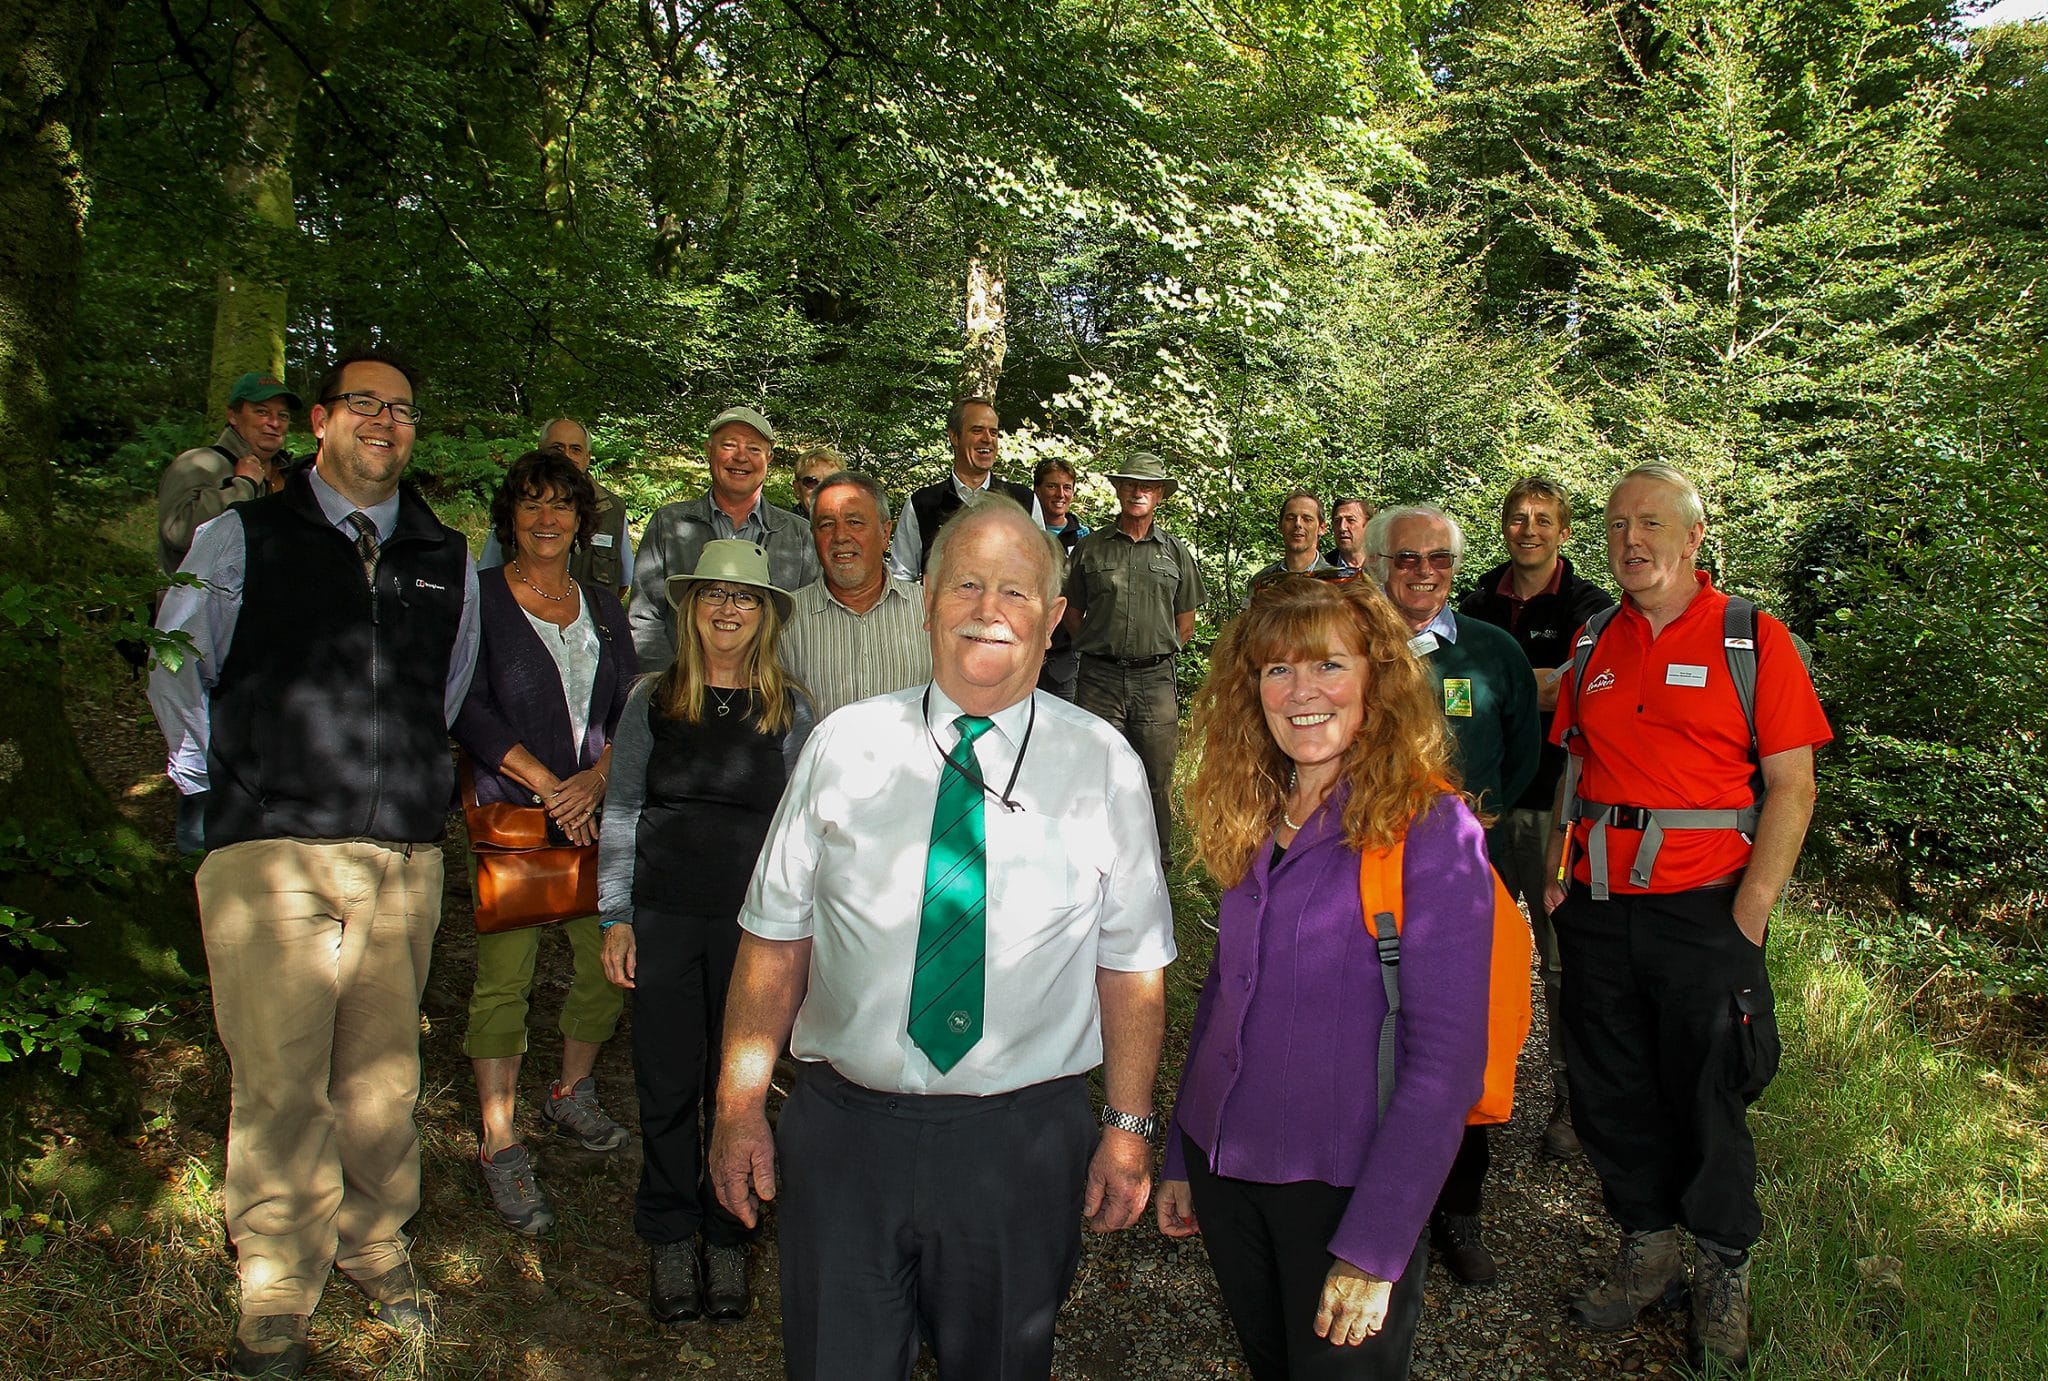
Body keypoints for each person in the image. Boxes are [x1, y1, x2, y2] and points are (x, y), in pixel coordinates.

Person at [709, 497, 1176, 1381]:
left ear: (1054, 619)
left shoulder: (1104, 762)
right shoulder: (844, 745)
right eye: (967, 582)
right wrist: (738, 1107)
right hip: (846, 1135)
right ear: (926, 600)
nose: (988, 608)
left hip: (1019, 1143)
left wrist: (1125, 1123)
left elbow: (1132, 962)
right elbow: (774, 940)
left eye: (1016, 589)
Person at [147, 347, 479, 1379]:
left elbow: (450, 690)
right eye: (365, 404)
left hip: (398, 855)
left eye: (404, 409)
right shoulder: (241, 533)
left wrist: (412, 786)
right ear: (322, 421)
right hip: (270, 847)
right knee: (282, 1070)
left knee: (382, 1076)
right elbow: (177, 661)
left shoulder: (445, 555)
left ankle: (376, 1240)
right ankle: (279, 1278)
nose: (386, 422)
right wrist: (216, 782)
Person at [1161, 573, 1495, 1381]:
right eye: (1277, 670)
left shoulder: (1430, 826)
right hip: (1227, 1172)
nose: (1301, 691)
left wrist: (1377, 1244)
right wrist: (1181, 1151)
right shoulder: (1256, 806)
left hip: (1347, 1185)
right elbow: (1223, 991)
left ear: (1376, 678)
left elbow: (1445, 1065)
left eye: (1327, 666)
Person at [1545, 464, 1829, 1372]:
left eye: (1652, 522)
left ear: (1694, 536)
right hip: (1596, 910)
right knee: (1610, 1086)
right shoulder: (1593, 641)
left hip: (1707, 912)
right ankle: (1647, 1247)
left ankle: (1721, 1276)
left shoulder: (1752, 640)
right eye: (1619, 523)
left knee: (1708, 1097)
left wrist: (1748, 915)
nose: (1632, 540)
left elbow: (1793, 786)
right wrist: (1557, 873)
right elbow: (1573, 773)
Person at [599, 540, 814, 1326]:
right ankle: (668, 1228)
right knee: (664, 1079)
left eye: (745, 597)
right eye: (714, 594)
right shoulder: (652, 698)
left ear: (765, 615)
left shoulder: (789, 707)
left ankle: (729, 1230)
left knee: (742, 1082)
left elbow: (803, 828)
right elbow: (622, 807)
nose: (728, 608)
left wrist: (803, 931)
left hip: (755, 929)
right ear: (691, 607)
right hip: (661, 914)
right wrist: (615, 915)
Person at [453, 449, 637, 1239]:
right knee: (505, 979)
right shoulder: (481, 596)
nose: (546, 518)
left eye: (561, 504)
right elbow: (465, 700)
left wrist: (596, 779)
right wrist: (547, 784)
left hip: (591, 815)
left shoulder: (603, 603)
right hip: (513, 817)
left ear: (580, 519)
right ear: (511, 517)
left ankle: (571, 1091)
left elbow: (631, 701)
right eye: (531, 504)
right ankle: (500, 1138)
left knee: (605, 963)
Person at [1366, 503, 1538, 1287]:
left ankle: (1457, 1210)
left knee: (1462, 1045)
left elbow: (1525, 758)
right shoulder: (1347, 646)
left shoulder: (1493, 653)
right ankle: (1368, 1204)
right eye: (1407, 558)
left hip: (1470, 890)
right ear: (1376, 563)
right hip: (1364, 883)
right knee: (1368, 1041)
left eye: (1437, 557)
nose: (1424, 571)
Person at [1457, 477, 1613, 1159]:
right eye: (1517, 518)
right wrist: (1534, 684)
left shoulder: (1591, 606)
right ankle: (1466, 1089)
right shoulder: (1476, 599)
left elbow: (1579, 688)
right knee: (1471, 954)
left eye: (1543, 520)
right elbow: (1451, 688)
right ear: (1503, 526)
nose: (1529, 529)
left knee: (1561, 960)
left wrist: (1502, 685)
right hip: (1479, 808)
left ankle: (1569, 1106)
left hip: (1556, 808)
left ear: (1564, 531)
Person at [1065, 452, 1205, 858]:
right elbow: (1071, 613)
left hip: (1155, 681)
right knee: (1095, 771)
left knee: (1156, 778)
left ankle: (1157, 866)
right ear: (1119, 490)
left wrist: (1150, 652)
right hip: (1098, 681)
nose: (1137, 491)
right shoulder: (1090, 549)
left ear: (1159, 494)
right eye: (1130, 484)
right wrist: (1100, 644)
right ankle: (1091, 860)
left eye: (1146, 486)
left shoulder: (1175, 553)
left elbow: (1186, 622)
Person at [629, 406, 818, 672]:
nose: (741, 457)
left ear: (769, 459)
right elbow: (645, 617)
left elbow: (812, 624)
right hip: (682, 692)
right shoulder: (669, 524)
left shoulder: (799, 534)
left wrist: (782, 690)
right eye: (729, 445)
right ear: (709, 450)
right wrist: (668, 687)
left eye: (754, 449)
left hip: (770, 694)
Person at [779, 470, 931, 719]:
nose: (840, 536)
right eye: (826, 525)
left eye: (855, 522)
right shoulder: (785, 619)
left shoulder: (930, 611)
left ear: (885, 533)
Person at [158, 370, 301, 579]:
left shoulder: (292, 476)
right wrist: (244, 485)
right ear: (233, 415)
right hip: (202, 607)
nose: (275, 423)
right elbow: (179, 535)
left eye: (283, 415)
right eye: (262, 412)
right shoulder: (200, 463)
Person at [886, 397, 1042, 580]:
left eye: (993, 432)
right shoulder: (922, 505)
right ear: (954, 436)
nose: (987, 439)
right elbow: (902, 577)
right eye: (977, 430)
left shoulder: (1024, 502)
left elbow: (1041, 572)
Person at [479, 419, 635, 599]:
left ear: (587, 457)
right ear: (540, 449)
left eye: (575, 449)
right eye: (557, 448)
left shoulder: (612, 509)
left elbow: (623, 582)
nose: (566, 456)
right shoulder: (515, 498)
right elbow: (486, 577)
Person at [1034, 457, 1090, 699]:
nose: (1060, 494)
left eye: (1067, 487)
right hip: (1022, 647)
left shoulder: (1085, 539)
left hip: (1065, 657)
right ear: (1037, 490)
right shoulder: (1022, 534)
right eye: (1052, 486)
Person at [1245, 489, 1341, 602]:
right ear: (1280, 526)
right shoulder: (1262, 583)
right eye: (1290, 518)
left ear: (1322, 528)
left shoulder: (1337, 582)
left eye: (1307, 519)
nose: (1298, 524)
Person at [790, 445, 845, 520]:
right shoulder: (784, 530)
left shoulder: (858, 528)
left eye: (832, 483)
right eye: (811, 482)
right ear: (797, 489)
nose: (822, 490)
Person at [1329, 496, 1373, 574]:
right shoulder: (1323, 569)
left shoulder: (1385, 564)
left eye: (1350, 520)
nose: (1342, 527)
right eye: (1337, 521)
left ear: (1368, 525)